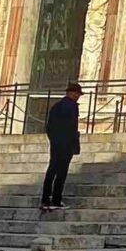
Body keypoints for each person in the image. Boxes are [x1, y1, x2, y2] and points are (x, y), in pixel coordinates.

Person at [39, 82, 80, 210]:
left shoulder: (56, 106)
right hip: (66, 144)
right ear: (72, 93)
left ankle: (45, 199)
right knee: (61, 172)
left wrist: (54, 140)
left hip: (56, 143)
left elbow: (49, 126)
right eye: (77, 94)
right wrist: (74, 143)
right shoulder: (72, 106)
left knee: (52, 170)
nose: (78, 96)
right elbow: (72, 127)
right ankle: (56, 200)